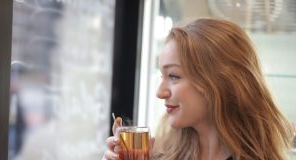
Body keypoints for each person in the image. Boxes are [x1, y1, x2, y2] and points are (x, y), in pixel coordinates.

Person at [102, 18, 293, 160]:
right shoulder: (157, 155)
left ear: (217, 81)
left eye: (174, 76)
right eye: (162, 76)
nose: (160, 92)